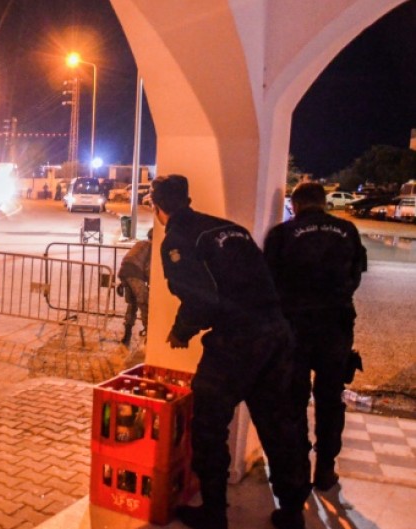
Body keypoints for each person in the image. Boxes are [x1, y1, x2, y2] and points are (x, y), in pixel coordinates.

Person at [149, 175, 310, 529]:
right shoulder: (229, 229)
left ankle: (214, 512)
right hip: (276, 334)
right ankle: (292, 510)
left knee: (208, 425)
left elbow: (201, 299)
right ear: (187, 199)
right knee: (278, 424)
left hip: (237, 343)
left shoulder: (178, 239)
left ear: (156, 207)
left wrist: (181, 331)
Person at [263, 182, 367, 492]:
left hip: (294, 329)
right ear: (324, 203)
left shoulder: (281, 234)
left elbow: (268, 281)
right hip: (335, 328)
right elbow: (356, 276)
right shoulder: (347, 230)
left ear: (294, 205)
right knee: (330, 398)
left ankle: (297, 469)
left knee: (294, 399)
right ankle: (325, 469)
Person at [118, 228, 152, 345]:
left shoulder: (140, 243)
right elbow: (148, 268)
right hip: (135, 275)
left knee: (132, 304)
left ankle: (127, 336)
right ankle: (149, 333)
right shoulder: (151, 247)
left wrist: (123, 282)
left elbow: (128, 260)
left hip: (125, 273)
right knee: (145, 303)